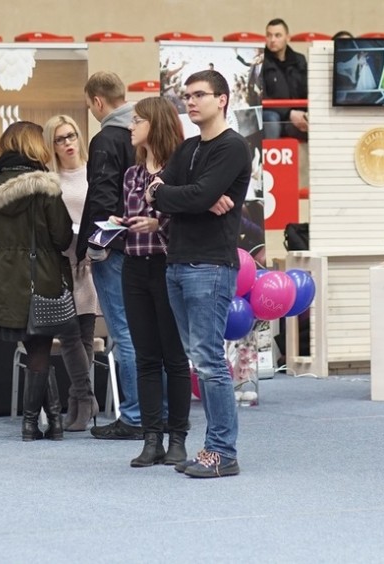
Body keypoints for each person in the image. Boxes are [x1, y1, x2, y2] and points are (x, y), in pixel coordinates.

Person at [147, 70, 252, 478]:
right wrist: (187, 197)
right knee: (199, 359)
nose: (190, 102)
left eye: (199, 95)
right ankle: (213, 447)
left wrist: (189, 197)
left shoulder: (233, 147)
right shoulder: (188, 147)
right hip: (177, 263)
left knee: (209, 361)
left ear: (222, 99)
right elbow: (153, 192)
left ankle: (222, 452)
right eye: (187, 96)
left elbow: (194, 194)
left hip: (210, 266)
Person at [0, 121, 79, 441]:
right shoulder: (45, 186)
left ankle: (54, 422)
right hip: (40, 274)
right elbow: (61, 236)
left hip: (5, 276)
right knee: (40, 345)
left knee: (33, 347)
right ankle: (32, 423)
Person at [111, 97, 191, 468]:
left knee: (174, 357)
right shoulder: (132, 174)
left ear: (154, 124)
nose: (130, 127)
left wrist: (158, 224)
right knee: (145, 356)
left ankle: (178, 437)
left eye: (137, 121)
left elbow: (189, 221)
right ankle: (151, 438)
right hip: (134, 266)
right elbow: (133, 217)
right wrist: (118, 224)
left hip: (167, 267)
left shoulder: (179, 170)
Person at [77, 71, 143, 440]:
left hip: (115, 249)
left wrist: (96, 246)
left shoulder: (106, 140)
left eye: (90, 105)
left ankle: (133, 415)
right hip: (145, 246)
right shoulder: (144, 133)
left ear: (98, 102)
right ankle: (157, 411)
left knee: (124, 333)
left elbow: (103, 198)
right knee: (145, 333)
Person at [42, 115, 101, 431]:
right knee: (69, 337)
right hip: (62, 265)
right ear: (51, 145)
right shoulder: (51, 180)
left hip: (89, 262)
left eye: (71, 136)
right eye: (60, 139)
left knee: (85, 337)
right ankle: (84, 398)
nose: (67, 143)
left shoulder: (93, 174)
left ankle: (79, 401)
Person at [262, 18, 308, 140]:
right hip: (273, 113)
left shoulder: (299, 60)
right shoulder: (259, 61)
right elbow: (260, 97)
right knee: (271, 120)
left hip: (298, 114)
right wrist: (289, 113)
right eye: (269, 35)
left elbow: (307, 90)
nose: (272, 40)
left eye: (277, 35)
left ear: (288, 38)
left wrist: (305, 114)